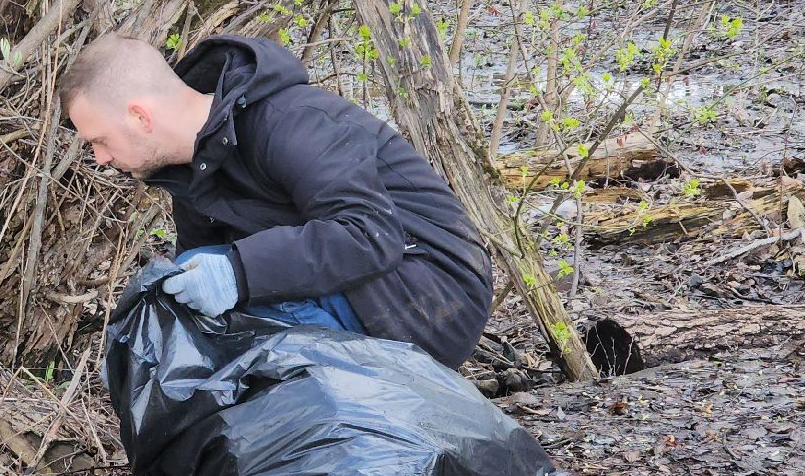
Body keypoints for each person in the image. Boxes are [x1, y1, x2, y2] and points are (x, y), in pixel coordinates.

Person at [59, 33, 493, 369]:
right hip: (362, 289)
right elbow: (196, 271)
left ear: (140, 116)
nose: (99, 158)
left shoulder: (290, 121)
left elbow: (369, 234)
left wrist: (236, 273)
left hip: (427, 295)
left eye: (99, 140)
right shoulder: (189, 172)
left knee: (226, 303)